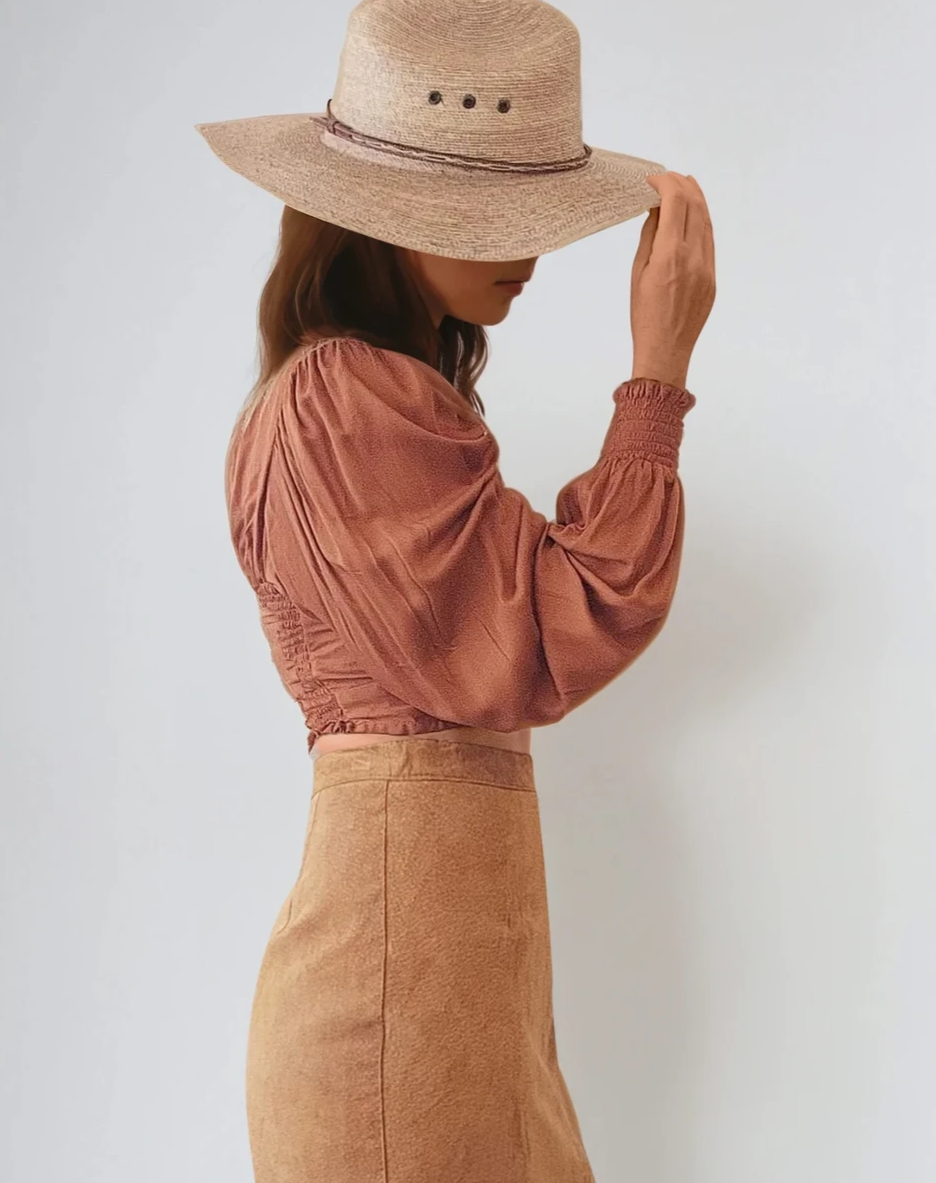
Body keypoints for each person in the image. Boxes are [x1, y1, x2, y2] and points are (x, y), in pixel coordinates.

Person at [196, 0, 715, 1179]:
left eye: (534, 212)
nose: (526, 249)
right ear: (381, 216)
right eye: (489, 213)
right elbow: (550, 633)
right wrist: (658, 382)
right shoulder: (344, 396)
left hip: (447, 973)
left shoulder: (374, 397)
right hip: (399, 985)